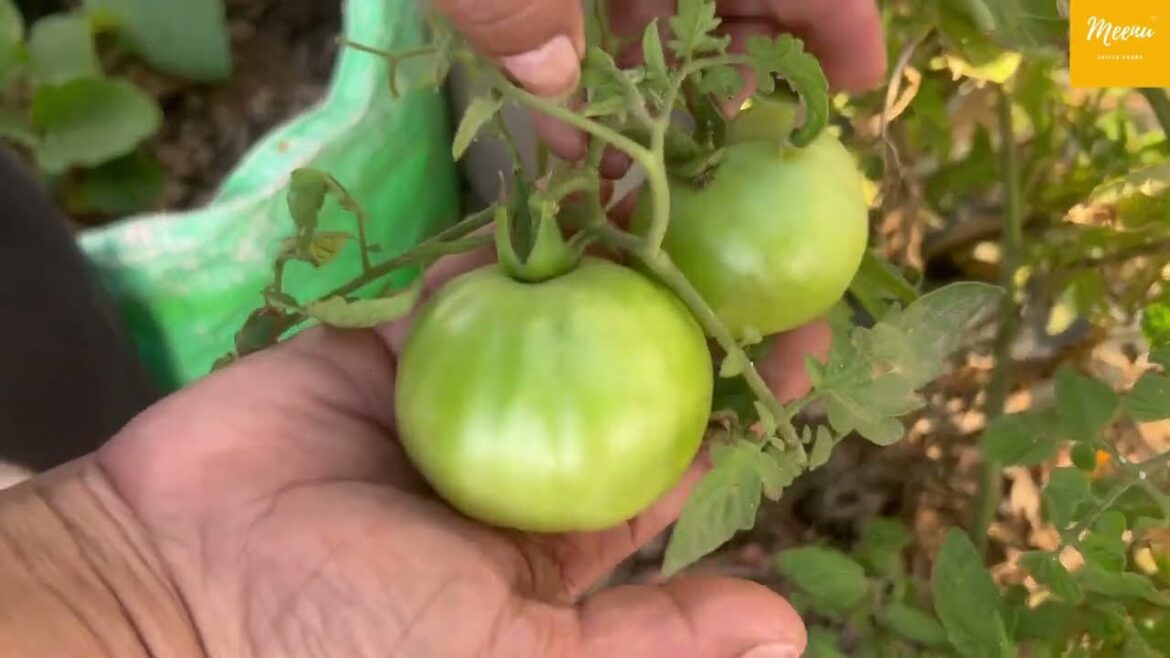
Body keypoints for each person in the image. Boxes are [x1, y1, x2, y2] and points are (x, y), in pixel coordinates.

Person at [0, 1, 885, 656]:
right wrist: (126, 583)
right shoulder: (585, 296)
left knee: (63, 370)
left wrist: (121, 576)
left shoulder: (478, 314)